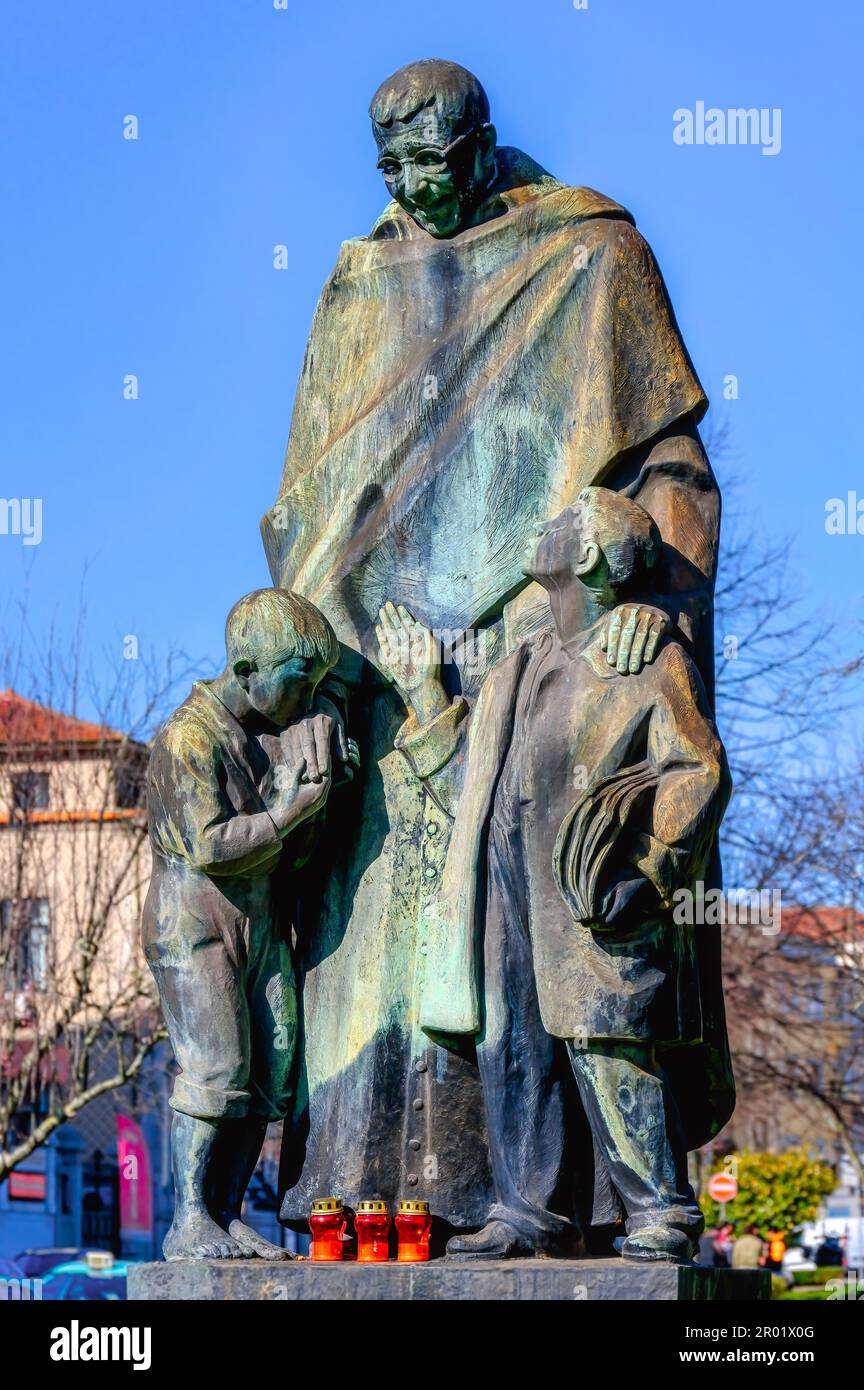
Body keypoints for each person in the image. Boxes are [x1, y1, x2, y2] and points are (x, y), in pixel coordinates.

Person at [264, 56, 731, 1242]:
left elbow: (671, 477)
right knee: (369, 941)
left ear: (481, 144)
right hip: (388, 669)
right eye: (393, 169)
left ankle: (549, 1203)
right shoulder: (355, 284)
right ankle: (357, 1207)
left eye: (436, 162)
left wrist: (653, 613)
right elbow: (313, 505)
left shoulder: (587, 253)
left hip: (545, 657)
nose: (417, 190)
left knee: (526, 945)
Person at [378, 487, 732, 1261]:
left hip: (589, 885)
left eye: (560, 522)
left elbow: (698, 774)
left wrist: (646, 871)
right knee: (517, 1043)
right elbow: (472, 777)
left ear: (587, 556)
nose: (541, 529)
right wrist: (421, 694)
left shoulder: (647, 656)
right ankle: (529, 1208)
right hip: (507, 880)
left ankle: (661, 1210)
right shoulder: (518, 665)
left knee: (607, 1039)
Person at [143, 588, 353, 1260]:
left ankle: (226, 1213)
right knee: (218, 1068)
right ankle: (188, 1221)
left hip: (259, 927)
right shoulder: (185, 740)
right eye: (300, 684)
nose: (307, 698)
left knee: (274, 1066)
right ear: (245, 674)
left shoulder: (265, 736)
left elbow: (287, 849)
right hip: (196, 927)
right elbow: (211, 847)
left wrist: (320, 798)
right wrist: (292, 812)